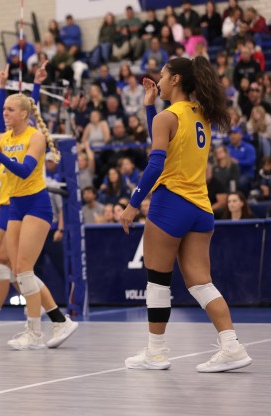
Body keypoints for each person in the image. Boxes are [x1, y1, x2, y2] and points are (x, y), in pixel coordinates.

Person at [119, 58, 252, 372]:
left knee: (157, 280)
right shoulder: (201, 114)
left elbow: (156, 163)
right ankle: (232, 346)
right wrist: (149, 106)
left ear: (176, 79)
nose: (159, 81)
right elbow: (165, 138)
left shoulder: (167, 117)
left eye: (162, 76)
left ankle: (156, 352)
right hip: (200, 208)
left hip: (170, 203)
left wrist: (133, 203)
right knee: (201, 283)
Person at [0, 63, 78, 350]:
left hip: (36, 204)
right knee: (20, 271)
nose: (5, 113)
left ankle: (34, 332)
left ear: (24, 113)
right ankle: (58, 321)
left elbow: (24, 171)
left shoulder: (35, 137)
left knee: (23, 269)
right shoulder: (3, 137)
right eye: (4, 109)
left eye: (10, 109)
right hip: (14, 206)